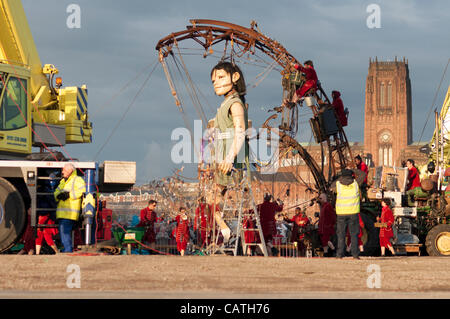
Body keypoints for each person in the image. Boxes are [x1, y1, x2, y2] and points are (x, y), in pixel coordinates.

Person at [210, 61, 249, 190]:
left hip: (231, 159)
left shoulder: (235, 103)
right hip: (223, 156)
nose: (216, 82)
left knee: (229, 192)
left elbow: (240, 130)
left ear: (235, 77)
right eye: (214, 80)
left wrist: (230, 157)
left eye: (221, 77)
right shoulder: (227, 103)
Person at [54, 163, 86, 253]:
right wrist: (59, 196)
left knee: (65, 232)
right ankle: (67, 249)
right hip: (63, 213)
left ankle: (67, 249)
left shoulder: (77, 180)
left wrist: (68, 195)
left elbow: (82, 191)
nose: (62, 172)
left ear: (70, 171)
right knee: (63, 232)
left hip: (70, 213)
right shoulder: (63, 181)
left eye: (64, 170)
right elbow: (56, 192)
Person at [334, 169, 361, 259]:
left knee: (341, 234)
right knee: (354, 234)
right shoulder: (356, 184)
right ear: (352, 175)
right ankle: (355, 254)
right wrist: (352, 170)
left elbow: (333, 184)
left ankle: (339, 254)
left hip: (341, 213)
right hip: (353, 212)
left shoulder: (338, 184)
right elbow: (362, 174)